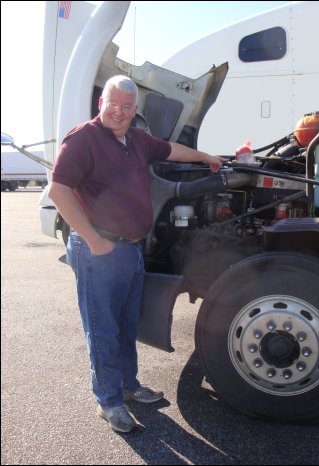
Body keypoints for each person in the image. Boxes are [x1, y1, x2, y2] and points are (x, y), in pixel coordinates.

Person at [48, 75, 224, 434]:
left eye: (126, 107)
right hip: (99, 250)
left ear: (135, 110)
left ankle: (128, 387)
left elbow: (171, 149)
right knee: (103, 328)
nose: (119, 111)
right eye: (113, 104)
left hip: (130, 249)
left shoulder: (136, 139)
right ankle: (108, 400)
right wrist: (95, 241)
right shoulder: (83, 138)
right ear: (102, 103)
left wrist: (206, 157)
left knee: (127, 325)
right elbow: (58, 190)